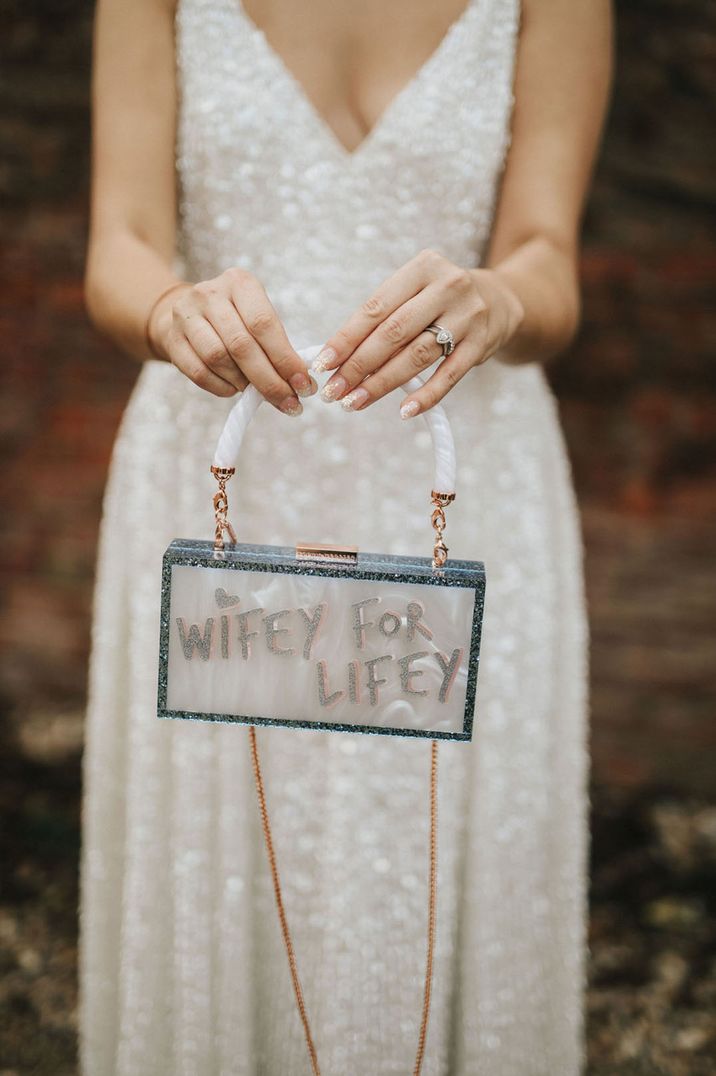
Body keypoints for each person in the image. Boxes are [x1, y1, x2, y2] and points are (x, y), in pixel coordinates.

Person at [80, 0, 613, 1072]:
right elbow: (120, 244)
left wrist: (499, 298)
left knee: (438, 864)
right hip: (223, 473)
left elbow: (545, 254)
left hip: (459, 481)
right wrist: (170, 310)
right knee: (222, 859)